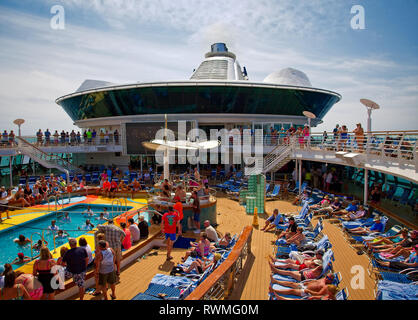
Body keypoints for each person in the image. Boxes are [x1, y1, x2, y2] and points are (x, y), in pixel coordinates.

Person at [269, 273, 335, 298]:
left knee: (292, 291)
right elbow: (315, 281)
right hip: (305, 285)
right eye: (327, 276)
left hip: (307, 292)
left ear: (331, 281)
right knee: (291, 283)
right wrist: (308, 282)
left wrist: (308, 291)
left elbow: (318, 294)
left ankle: (274, 291)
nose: (326, 278)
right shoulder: (324, 279)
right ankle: (275, 281)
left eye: (328, 278)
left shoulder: (325, 286)